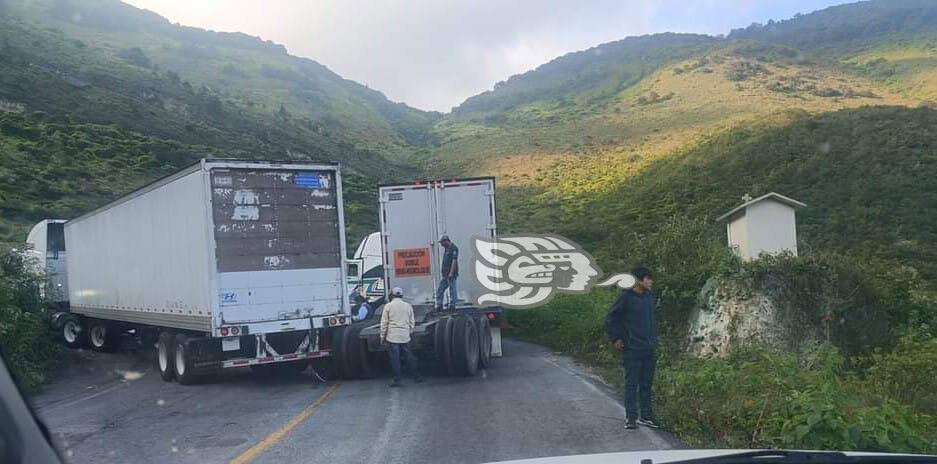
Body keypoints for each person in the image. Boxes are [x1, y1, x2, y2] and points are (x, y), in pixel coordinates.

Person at [604, 267, 661, 430]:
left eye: (651, 278)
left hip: (649, 348)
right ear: (638, 280)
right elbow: (611, 318)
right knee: (632, 384)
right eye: (647, 278)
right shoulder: (626, 298)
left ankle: (646, 416)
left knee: (646, 384)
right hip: (632, 348)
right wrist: (616, 338)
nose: (651, 281)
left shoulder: (649, 297)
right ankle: (630, 417)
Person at [380, 287, 422, 387]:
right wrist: (409, 332)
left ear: (391, 295)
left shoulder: (388, 306)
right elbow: (412, 322)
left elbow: (384, 323)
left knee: (395, 359)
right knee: (409, 357)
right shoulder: (408, 306)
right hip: (404, 336)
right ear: (401, 295)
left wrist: (382, 337)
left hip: (392, 337)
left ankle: (397, 380)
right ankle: (416, 376)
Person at [435, 234, 459, 310]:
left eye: (442, 243)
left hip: (450, 274)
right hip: (445, 275)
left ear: (446, 241)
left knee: (452, 290)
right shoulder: (447, 248)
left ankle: (453, 305)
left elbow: (454, 261)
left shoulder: (453, 248)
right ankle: (439, 305)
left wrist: (451, 273)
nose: (441, 245)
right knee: (440, 290)